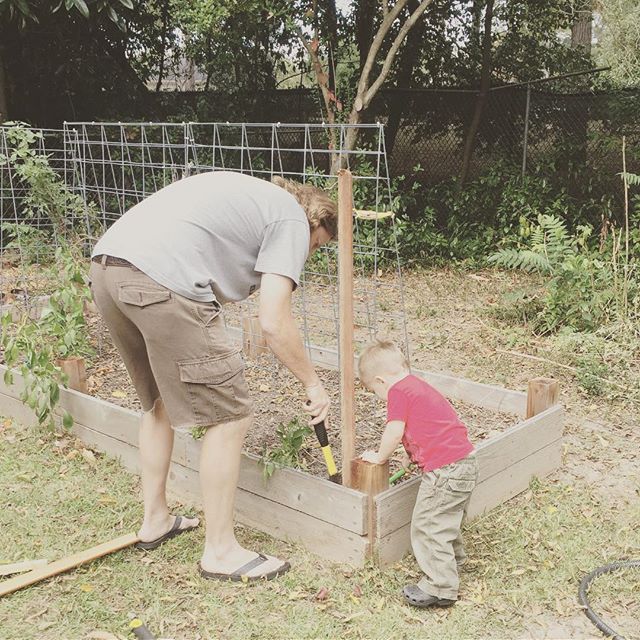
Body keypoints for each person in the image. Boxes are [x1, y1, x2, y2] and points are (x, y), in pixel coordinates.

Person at [89, 171, 336, 581]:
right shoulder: (292, 220)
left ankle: (155, 520)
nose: (308, 255)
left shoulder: (252, 198)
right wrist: (312, 382)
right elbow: (274, 322)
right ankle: (221, 551)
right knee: (232, 414)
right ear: (314, 222)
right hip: (159, 280)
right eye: (316, 246)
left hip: (107, 268)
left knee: (158, 404)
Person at [358, 339, 478, 607]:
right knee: (446, 518)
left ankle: (440, 586)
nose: (378, 395)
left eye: (372, 390)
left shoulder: (397, 392)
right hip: (464, 463)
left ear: (380, 381)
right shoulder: (417, 386)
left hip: (446, 470)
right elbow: (425, 428)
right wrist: (408, 456)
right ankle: (453, 563)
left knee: (428, 525)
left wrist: (380, 456)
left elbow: (395, 429)